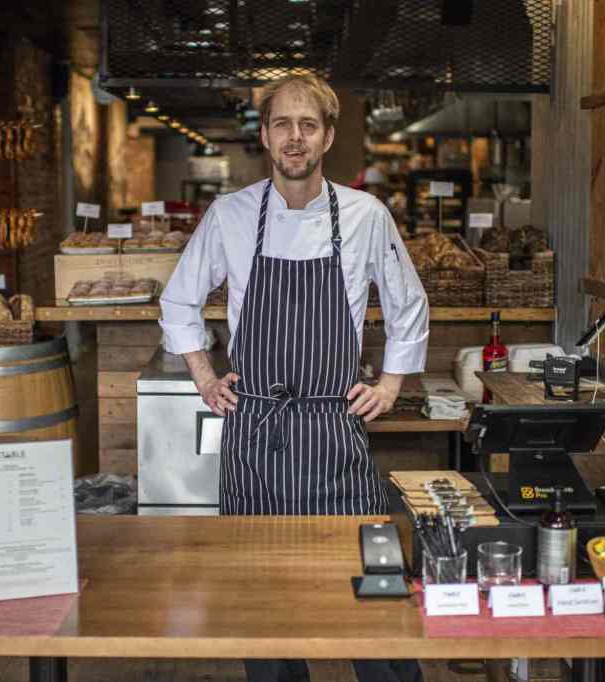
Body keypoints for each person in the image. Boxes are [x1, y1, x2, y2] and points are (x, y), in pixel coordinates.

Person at [159, 74, 428, 682]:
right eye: (282, 123)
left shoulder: (365, 215)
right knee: (261, 602)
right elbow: (178, 301)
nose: (295, 137)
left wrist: (389, 385)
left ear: (328, 136)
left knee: (376, 591)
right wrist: (204, 377)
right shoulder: (230, 215)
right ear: (265, 135)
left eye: (308, 124)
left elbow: (408, 303)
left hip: (335, 433)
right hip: (255, 436)